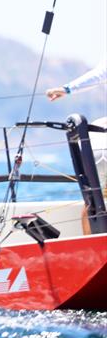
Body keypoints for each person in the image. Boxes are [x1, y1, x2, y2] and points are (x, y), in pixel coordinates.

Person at [46, 61, 107, 235]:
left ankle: (90, 250)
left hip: (96, 140)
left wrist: (67, 89)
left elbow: (99, 74)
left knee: (94, 200)